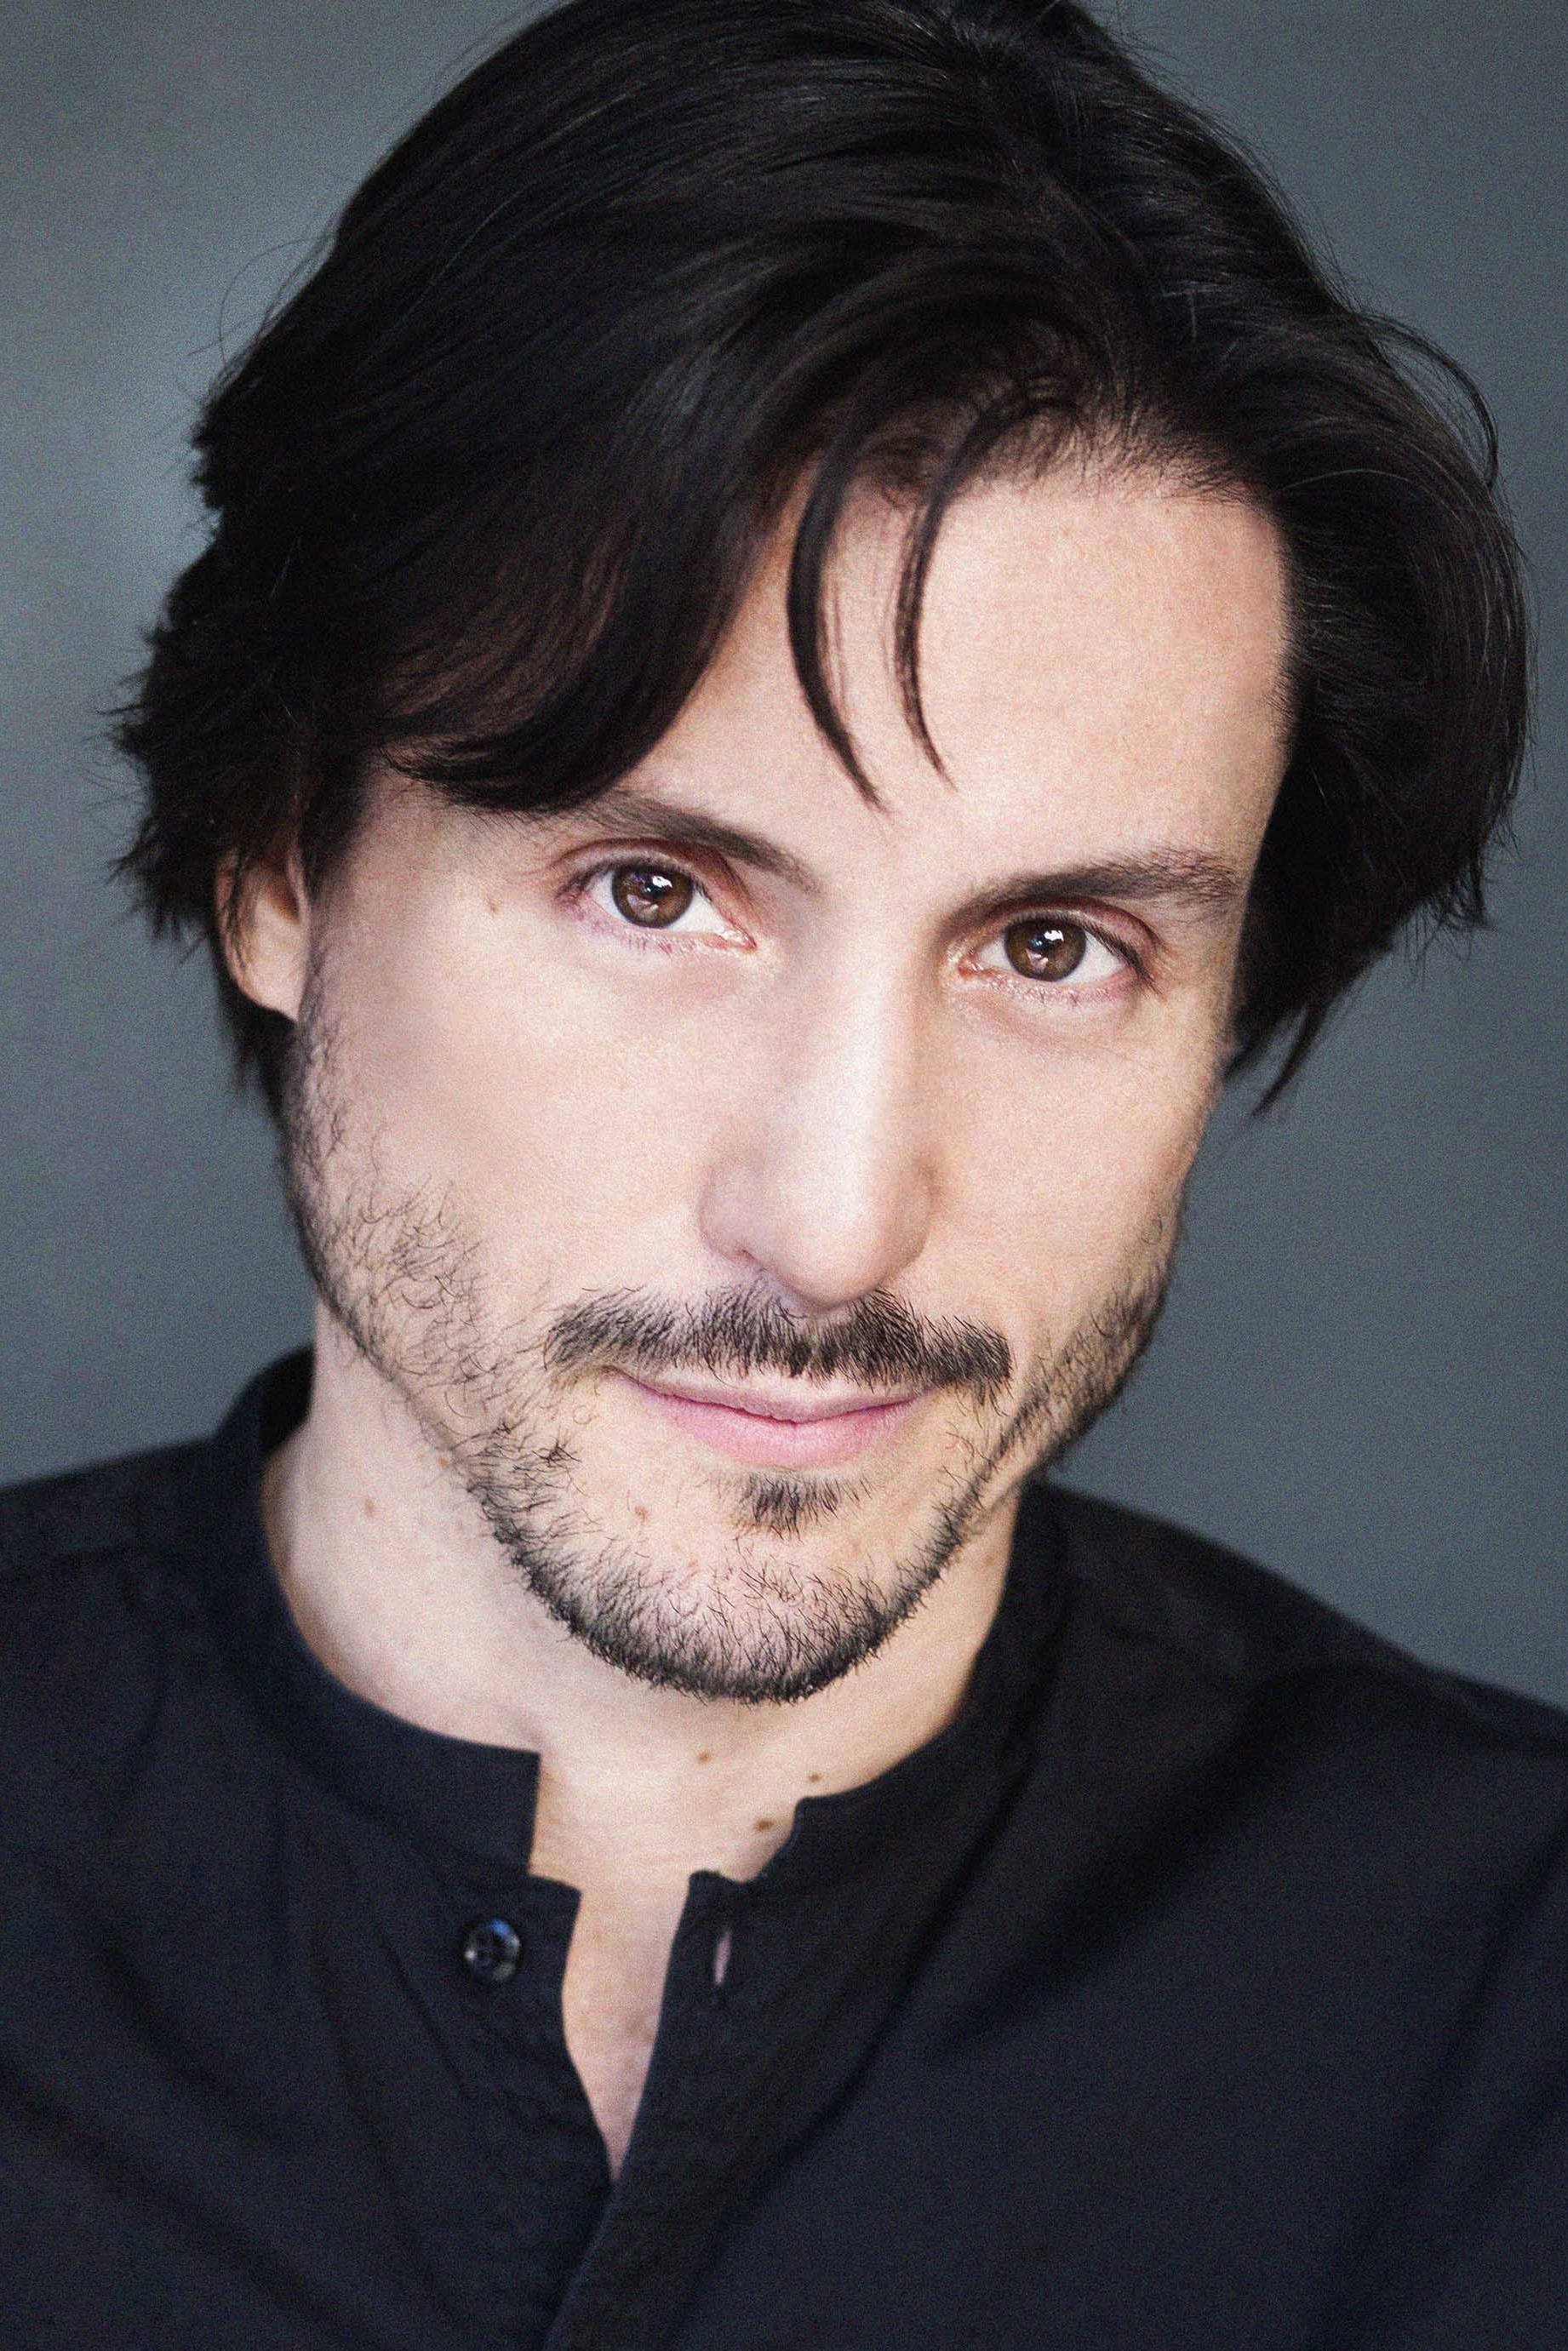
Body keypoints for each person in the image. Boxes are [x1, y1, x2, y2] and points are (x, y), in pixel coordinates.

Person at [2, 0, 1560, 2342]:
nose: (834, 1227)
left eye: (1052, 946)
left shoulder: (1507, 2016)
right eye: (655, 892)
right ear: (275, 860)